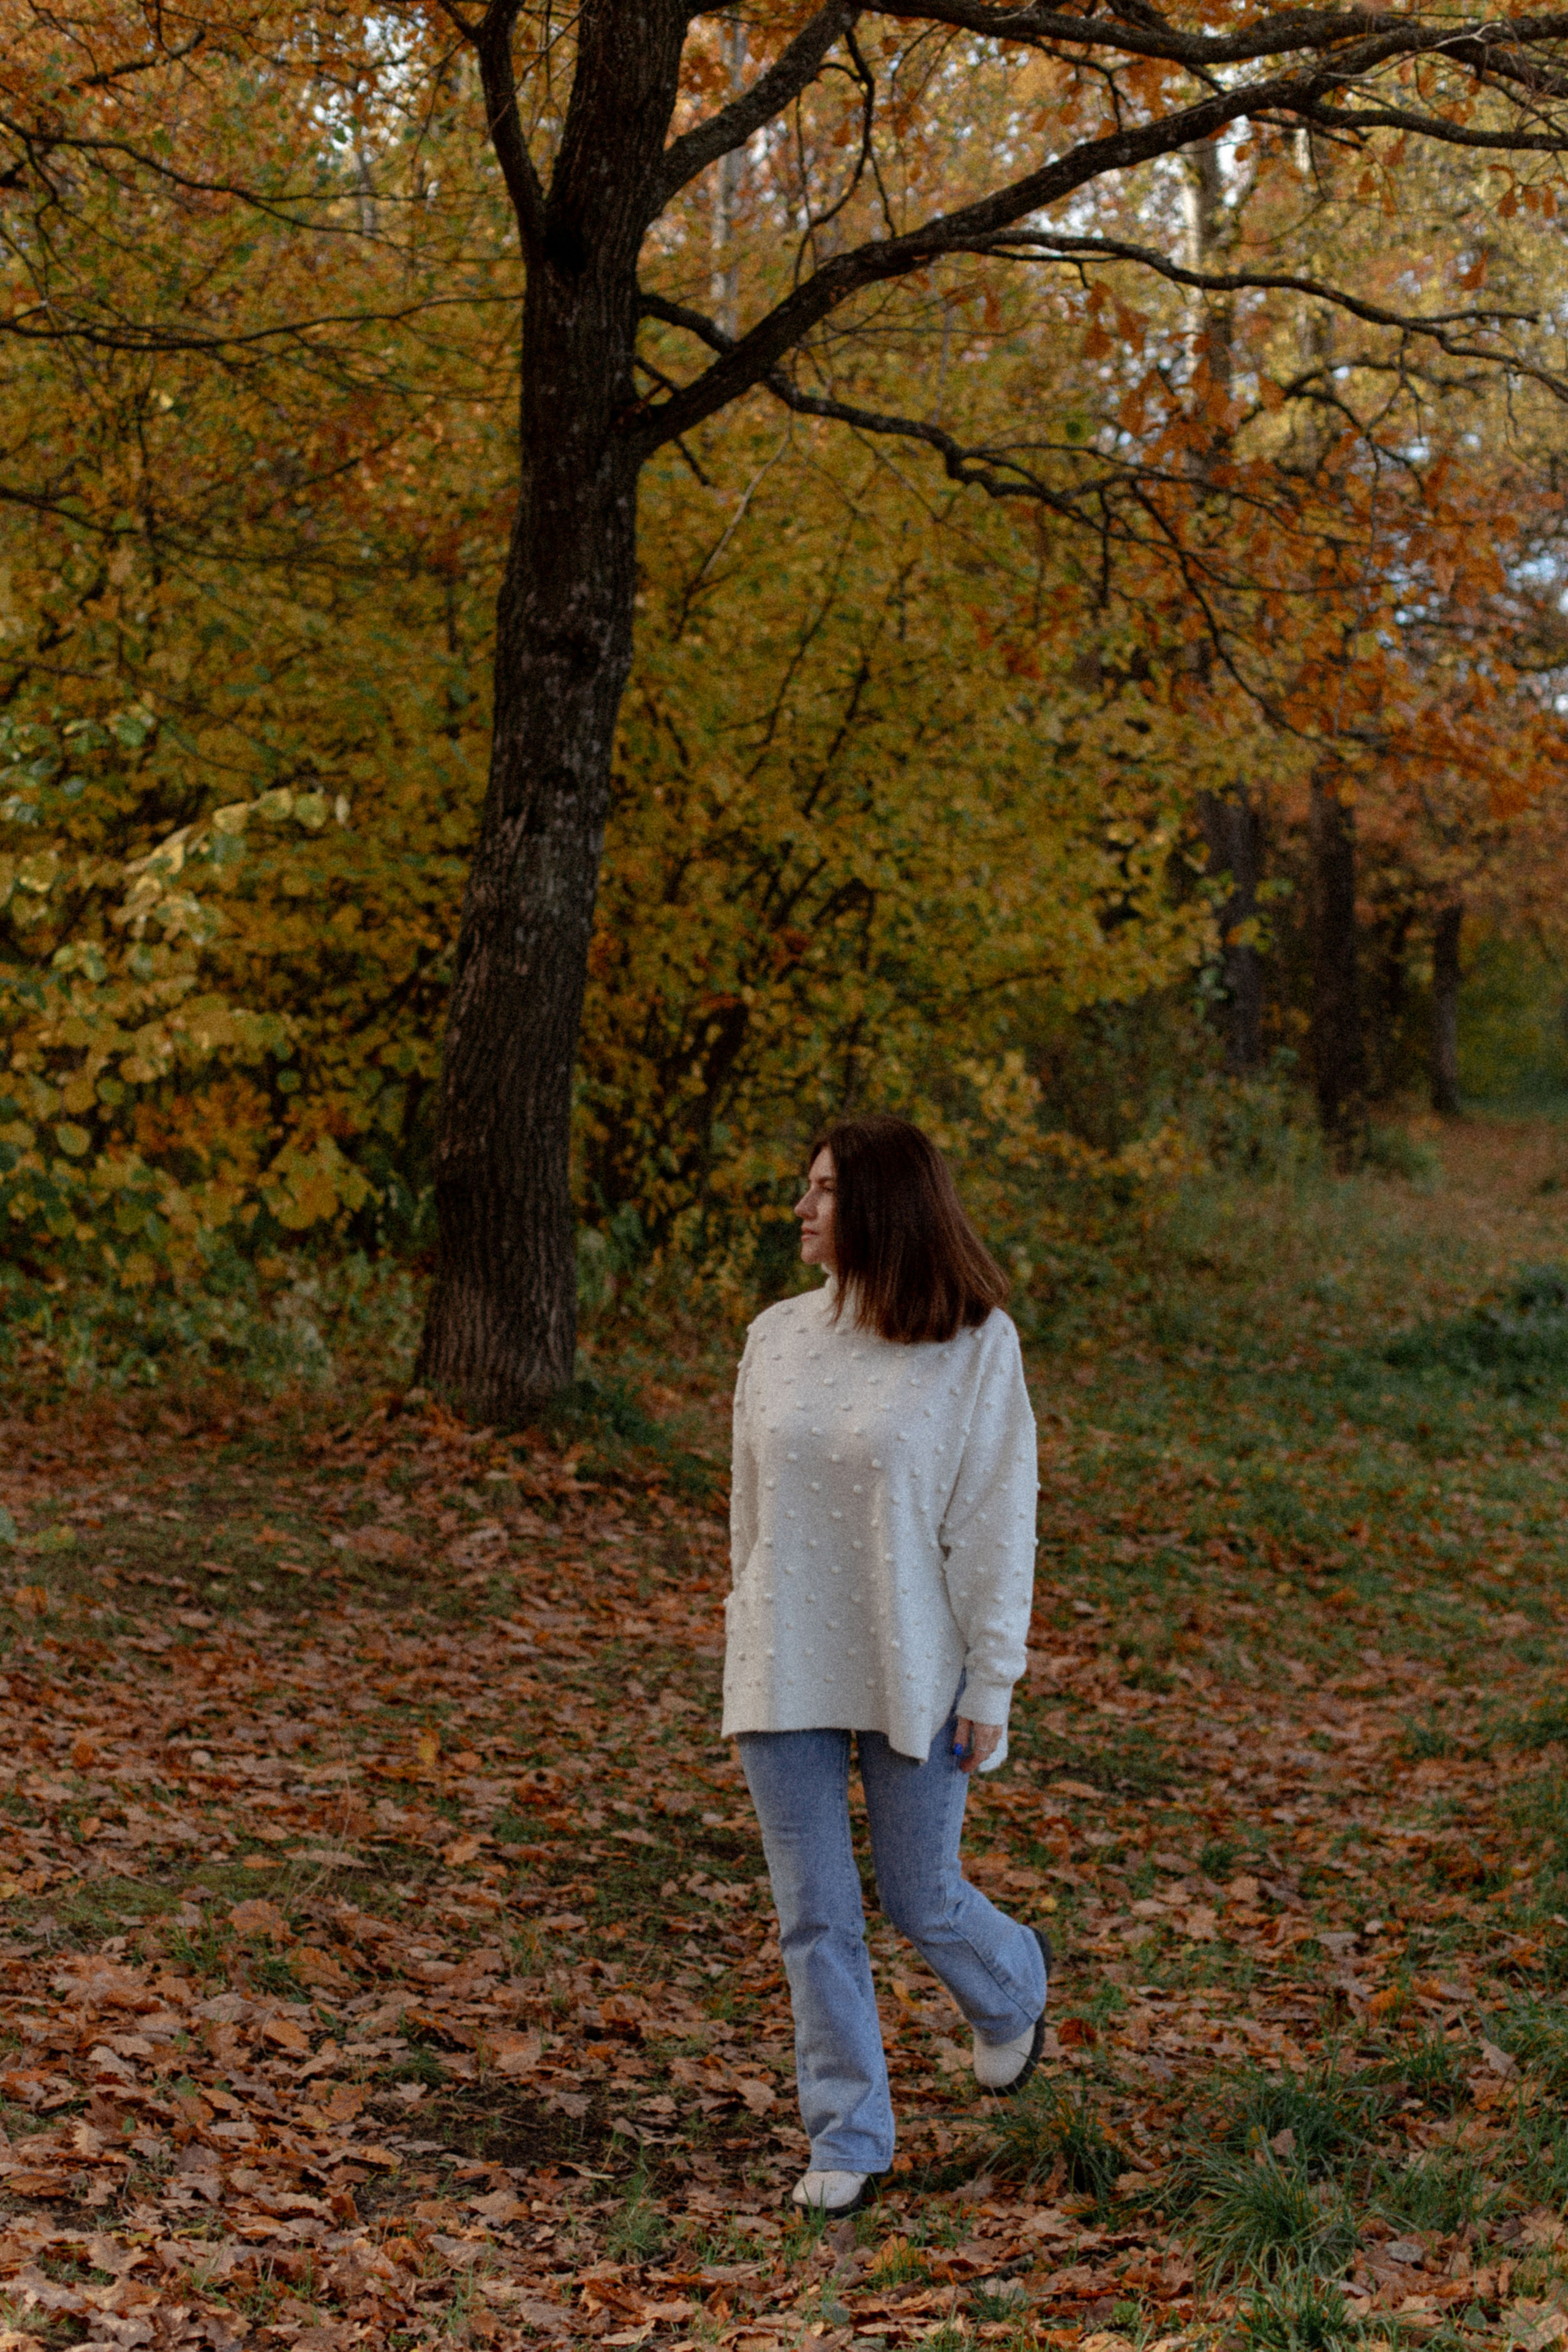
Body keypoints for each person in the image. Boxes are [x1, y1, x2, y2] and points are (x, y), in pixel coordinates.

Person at [723, 1113, 1048, 2218]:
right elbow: (748, 1514)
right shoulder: (773, 1336)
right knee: (815, 1913)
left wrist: (991, 1682)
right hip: (783, 1662)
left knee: (921, 1897)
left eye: (821, 1190)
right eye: (805, 1187)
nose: (802, 1210)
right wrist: (742, 1621)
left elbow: (997, 1525)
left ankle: (1012, 1990)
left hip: (917, 1666)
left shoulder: (973, 1345)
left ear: (881, 1205)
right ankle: (850, 2134)